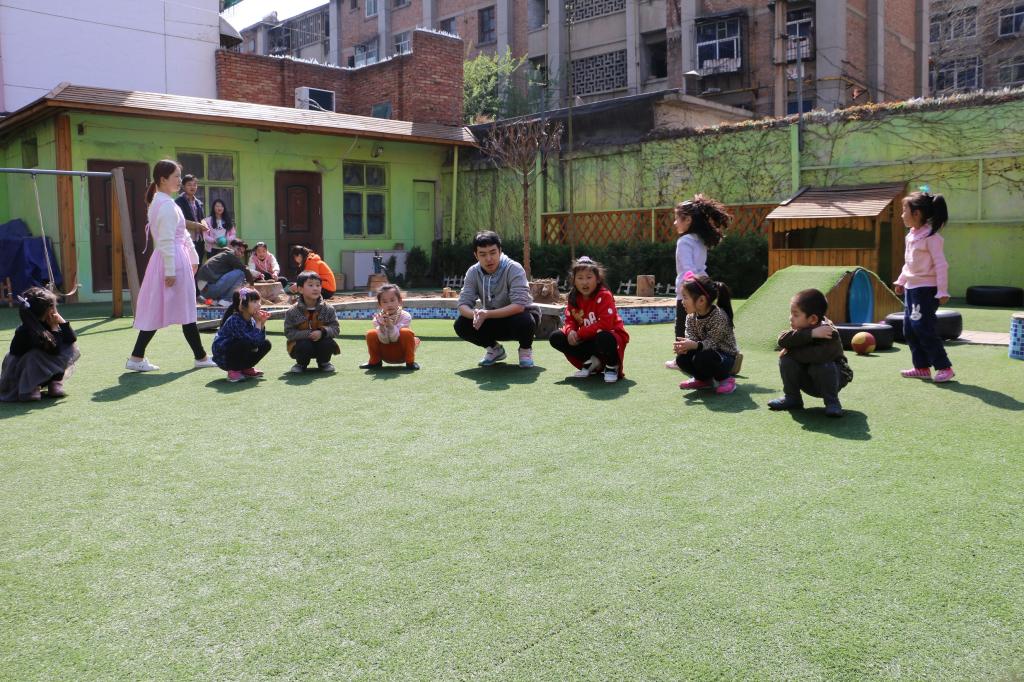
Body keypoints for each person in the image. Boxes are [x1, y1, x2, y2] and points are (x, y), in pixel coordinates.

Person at [126, 160, 216, 372]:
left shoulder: (164, 202)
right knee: (185, 309)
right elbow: (167, 240)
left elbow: (181, 233)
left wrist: (193, 257)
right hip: (172, 259)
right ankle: (200, 357)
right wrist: (170, 270)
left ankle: (137, 357)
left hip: (172, 258)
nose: (179, 180)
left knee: (173, 308)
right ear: (163, 179)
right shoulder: (166, 205)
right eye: (176, 176)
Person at [454, 231, 540, 368]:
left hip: (518, 317)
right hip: (492, 318)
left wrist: (487, 314)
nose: (489, 258)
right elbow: (463, 304)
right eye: (483, 254)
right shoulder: (472, 272)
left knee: (526, 320)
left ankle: (525, 349)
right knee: (461, 324)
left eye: (493, 252)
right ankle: (494, 349)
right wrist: (475, 315)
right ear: (476, 255)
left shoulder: (514, 268)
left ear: (500, 251)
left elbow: (519, 306)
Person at [894, 190, 954, 382]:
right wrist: (902, 280)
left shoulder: (931, 238)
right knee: (909, 329)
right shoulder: (911, 236)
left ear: (917, 214)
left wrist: (942, 290)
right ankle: (921, 367)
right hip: (912, 289)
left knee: (923, 327)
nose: (902, 215)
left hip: (926, 290)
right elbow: (909, 263)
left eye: (904, 210)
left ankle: (944, 367)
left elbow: (941, 265)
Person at [666, 194, 730, 369]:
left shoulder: (684, 241)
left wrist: (688, 292)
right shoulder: (700, 240)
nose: (675, 223)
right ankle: (708, 355)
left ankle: (682, 359)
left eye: (677, 218)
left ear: (688, 220)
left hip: (689, 292)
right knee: (701, 326)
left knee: (682, 326)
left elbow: (688, 270)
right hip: (702, 290)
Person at [768, 288, 852, 418]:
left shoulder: (829, 333)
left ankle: (832, 402)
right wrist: (811, 333)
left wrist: (790, 351)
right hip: (809, 379)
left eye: (795, 315)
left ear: (812, 319)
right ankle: (792, 398)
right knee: (786, 361)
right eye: (791, 313)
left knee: (822, 365)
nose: (791, 318)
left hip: (834, 379)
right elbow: (781, 340)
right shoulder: (801, 328)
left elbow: (818, 356)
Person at [548, 256, 629, 383]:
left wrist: (579, 334)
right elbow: (570, 319)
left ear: (598, 279)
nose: (584, 282)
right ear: (574, 281)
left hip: (610, 336)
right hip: (588, 338)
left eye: (589, 277)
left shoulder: (604, 295)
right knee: (556, 337)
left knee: (604, 337)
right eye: (580, 278)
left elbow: (605, 324)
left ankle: (612, 365)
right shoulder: (573, 297)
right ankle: (591, 362)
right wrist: (570, 331)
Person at [0, 287, 80, 401]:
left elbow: (71, 339)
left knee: (68, 347)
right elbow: (55, 350)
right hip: (21, 373)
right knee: (34, 356)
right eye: (53, 307)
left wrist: (61, 320)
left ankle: (54, 383)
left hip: (42, 369)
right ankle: (31, 388)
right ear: (46, 311)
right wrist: (54, 328)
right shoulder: (26, 331)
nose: (55, 309)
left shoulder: (46, 321)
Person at [673, 272, 739, 395]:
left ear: (701, 300)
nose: (682, 301)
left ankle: (726, 380)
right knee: (681, 359)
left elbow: (712, 343)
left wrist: (694, 345)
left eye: (685, 297)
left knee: (704, 357)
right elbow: (691, 337)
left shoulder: (719, 316)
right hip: (703, 352)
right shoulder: (690, 317)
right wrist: (685, 347)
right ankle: (703, 380)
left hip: (724, 357)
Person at [211, 287, 272, 383]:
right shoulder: (235, 320)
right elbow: (251, 341)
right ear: (243, 305)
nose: (259, 305)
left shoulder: (252, 320)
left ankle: (245, 368)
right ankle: (233, 370)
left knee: (265, 344)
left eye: (259, 301)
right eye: (254, 302)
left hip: (238, 351)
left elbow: (258, 341)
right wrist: (258, 323)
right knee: (244, 343)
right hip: (224, 357)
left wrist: (261, 324)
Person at [284, 270, 340, 373]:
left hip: (321, 343)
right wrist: (307, 334)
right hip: (301, 345)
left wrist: (322, 332)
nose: (315, 288)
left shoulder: (328, 309)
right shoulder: (292, 311)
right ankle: (301, 364)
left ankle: (324, 363)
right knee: (304, 344)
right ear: (300, 289)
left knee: (327, 342)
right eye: (310, 285)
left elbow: (336, 329)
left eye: (318, 285)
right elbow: (289, 332)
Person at [360, 284, 419, 371]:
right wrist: (382, 326)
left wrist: (390, 325)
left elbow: (394, 338)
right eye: (384, 302)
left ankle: (410, 362)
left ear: (399, 301)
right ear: (380, 304)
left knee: (406, 332)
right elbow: (385, 340)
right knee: (371, 334)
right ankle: (375, 362)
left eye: (392, 300)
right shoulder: (378, 319)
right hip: (385, 352)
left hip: (401, 353)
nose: (389, 304)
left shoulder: (405, 316)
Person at [195, 239, 253, 306]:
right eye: (238, 249)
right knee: (241, 273)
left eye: (242, 252)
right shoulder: (230, 254)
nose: (240, 253)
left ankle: (217, 300)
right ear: (231, 247)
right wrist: (251, 285)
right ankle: (226, 300)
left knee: (237, 275)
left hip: (205, 290)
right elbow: (245, 270)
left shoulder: (222, 256)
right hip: (209, 288)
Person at [175, 174, 205, 264]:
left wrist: (205, 225)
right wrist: (198, 225)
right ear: (183, 186)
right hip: (186, 239)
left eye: (195, 185)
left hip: (199, 240)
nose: (193, 187)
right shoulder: (178, 202)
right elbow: (180, 221)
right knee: (187, 265)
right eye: (189, 185)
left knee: (198, 264)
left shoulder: (198, 202)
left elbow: (202, 219)